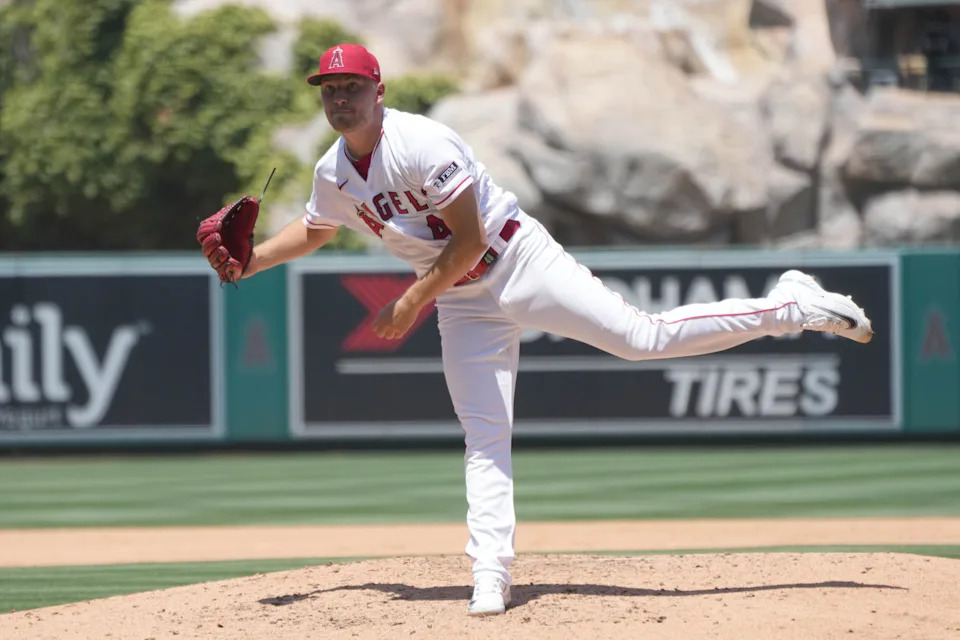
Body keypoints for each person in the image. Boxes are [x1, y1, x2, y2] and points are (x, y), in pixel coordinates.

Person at [229, 44, 873, 616]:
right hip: (460, 301)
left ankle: (791, 306)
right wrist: (251, 261)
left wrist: (411, 301)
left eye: (351, 87)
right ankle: (490, 572)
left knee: (642, 339)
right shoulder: (332, 172)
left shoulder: (423, 143)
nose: (339, 98)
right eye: (329, 89)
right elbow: (317, 228)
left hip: (516, 261)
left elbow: (469, 240)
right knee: (484, 431)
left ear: (379, 92)